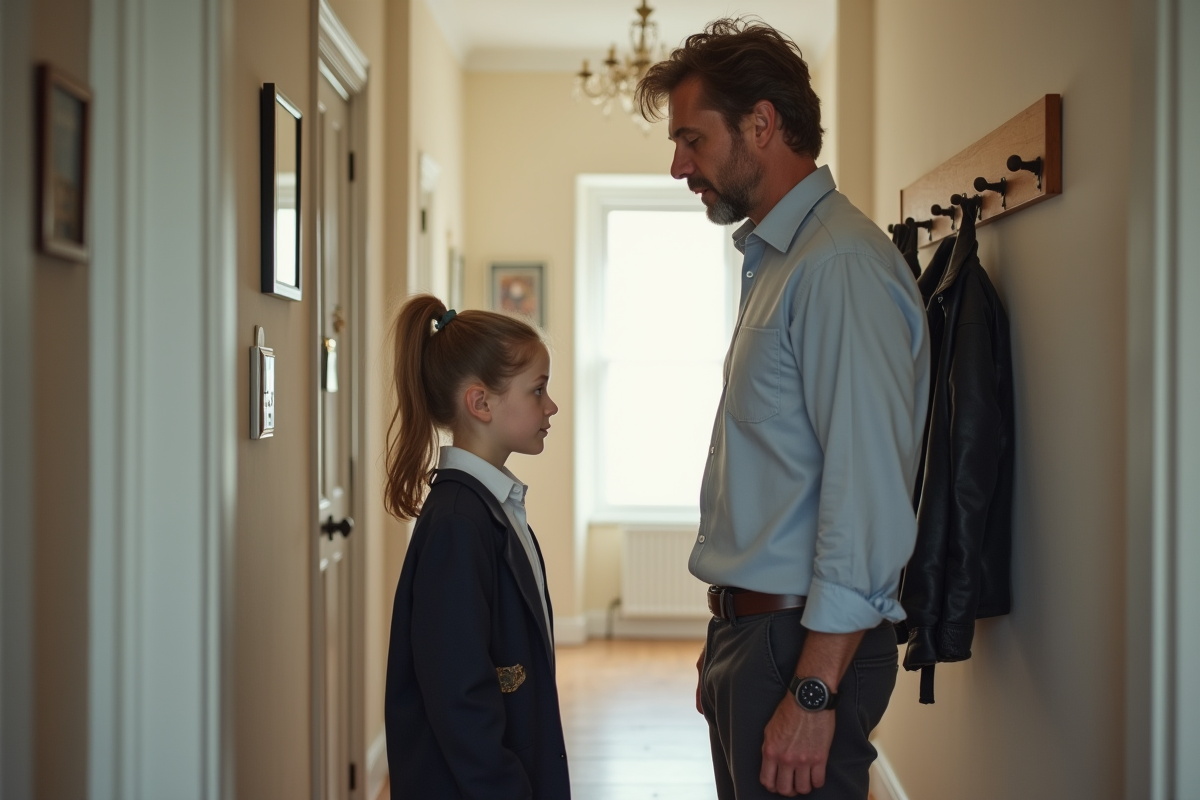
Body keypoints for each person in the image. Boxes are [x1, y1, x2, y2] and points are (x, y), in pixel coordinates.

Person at [636, 19, 931, 800]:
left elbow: (866, 494)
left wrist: (811, 691)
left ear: (761, 124)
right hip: (759, 635)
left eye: (692, 140)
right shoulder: (780, 260)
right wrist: (725, 634)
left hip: (801, 648)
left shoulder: (836, 267)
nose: (679, 166)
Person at [382, 294, 570, 800]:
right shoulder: (459, 525)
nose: (551, 406)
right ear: (480, 402)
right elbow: (458, 693)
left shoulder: (489, 506)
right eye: (537, 390)